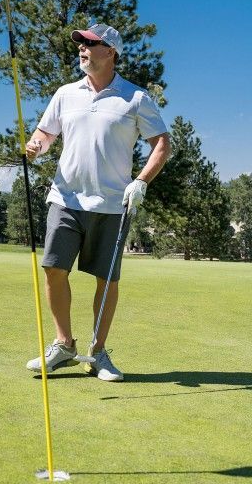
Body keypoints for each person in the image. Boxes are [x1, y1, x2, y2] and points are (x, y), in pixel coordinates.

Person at [25, 23, 170, 382]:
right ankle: (63, 345)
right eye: (81, 44)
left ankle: (98, 353)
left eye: (91, 44)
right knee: (54, 269)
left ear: (111, 52)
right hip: (66, 197)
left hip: (111, 205)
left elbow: (162, 144)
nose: (82, 49)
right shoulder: (65, 94)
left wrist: (141, 181)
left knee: (106, 280)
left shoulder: (135, 98)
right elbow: (45, 134)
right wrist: (35, 146)